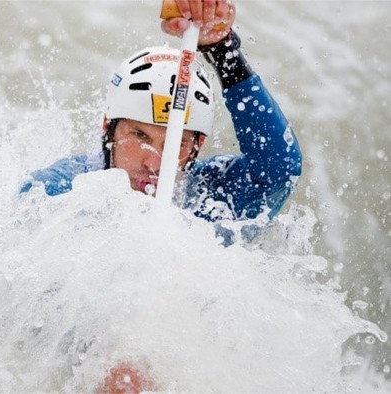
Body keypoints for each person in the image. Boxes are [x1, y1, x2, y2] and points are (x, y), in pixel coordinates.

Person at [20, 0, 302, 246]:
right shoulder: (63, 191)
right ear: (108, 128)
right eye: (140, 136)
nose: (153, 164)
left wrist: (222, 50)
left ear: (196, 146)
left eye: (176, 144)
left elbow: (280, 169)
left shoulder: (211, 198)